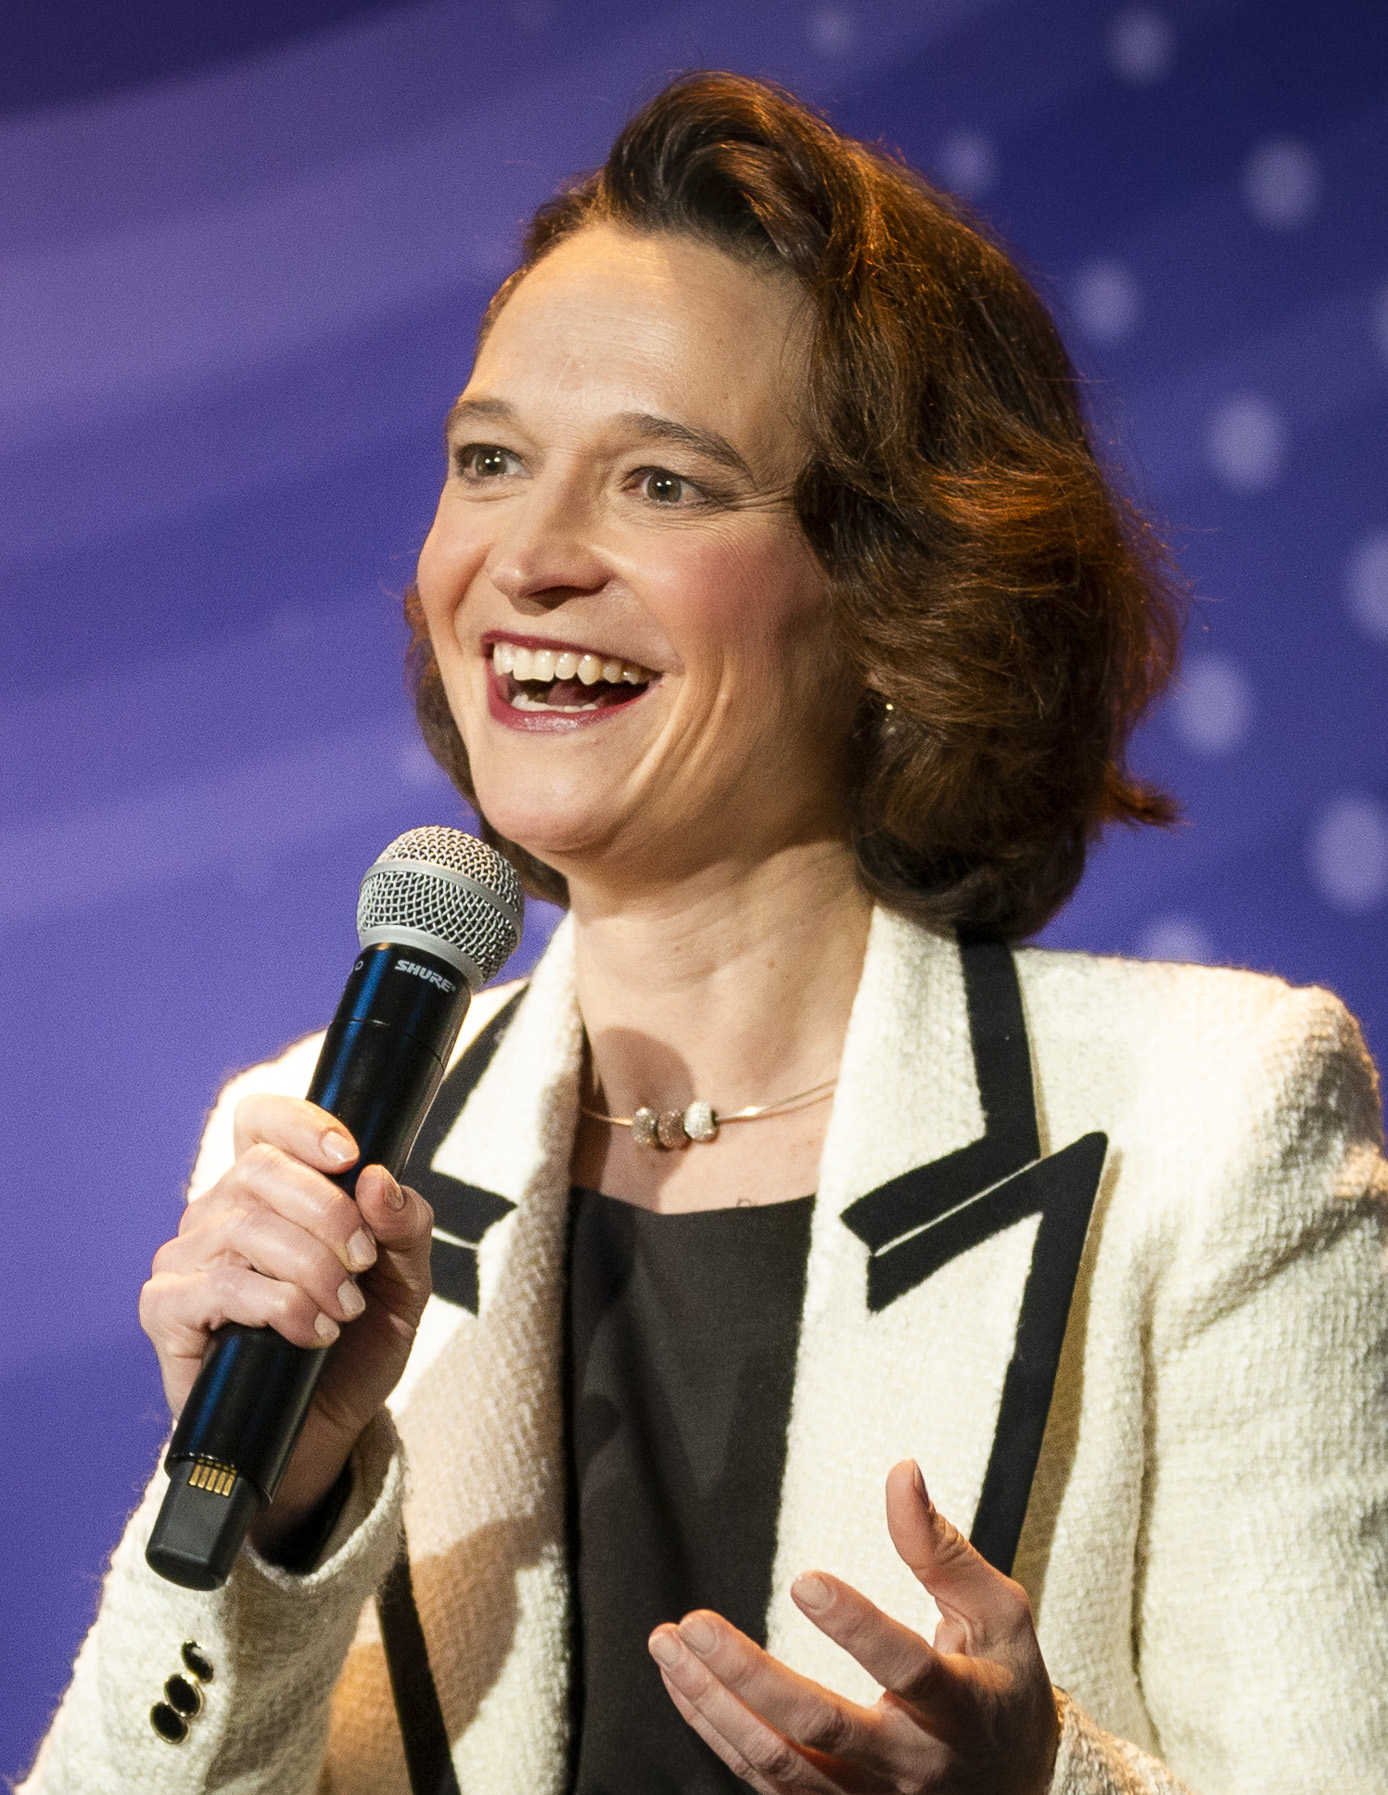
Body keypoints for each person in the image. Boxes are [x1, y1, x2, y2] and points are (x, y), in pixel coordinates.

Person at [23, 72, 1388, 1795]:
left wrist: (1039, 1788)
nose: (527, 557)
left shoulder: (1212, 1124)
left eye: (662, 484)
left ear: (900, 593)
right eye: (489, 461)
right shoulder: (315, 1143)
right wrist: (270, 1519)